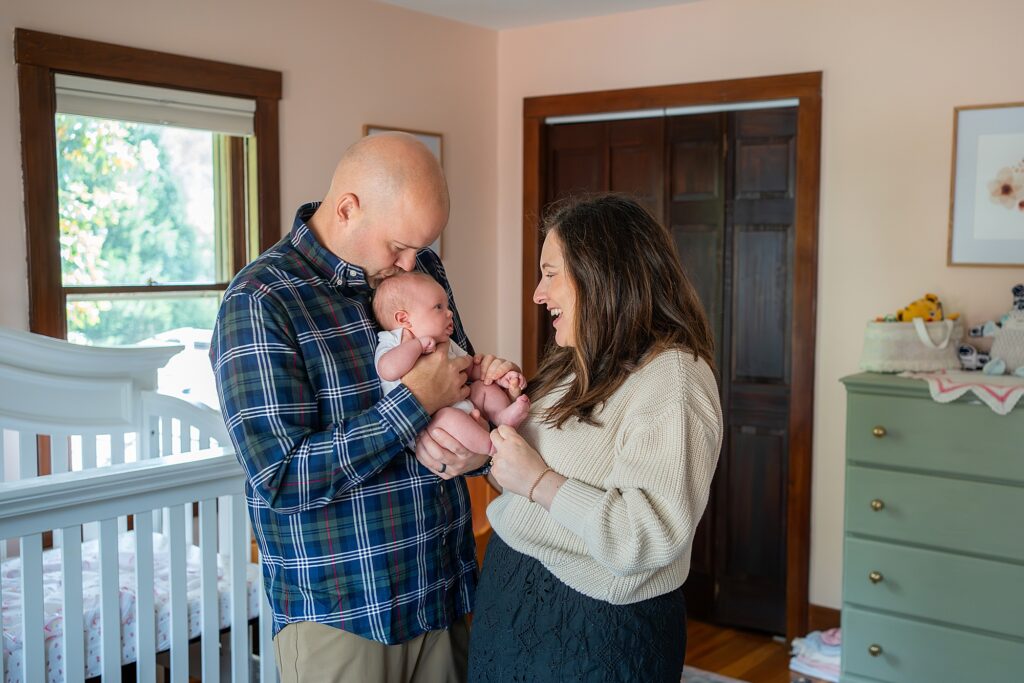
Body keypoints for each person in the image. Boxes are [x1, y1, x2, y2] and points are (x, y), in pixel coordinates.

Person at [210, 132, 518, 683]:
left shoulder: (418, 271)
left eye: (421, 248)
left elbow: (457, 380)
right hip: (344, 617)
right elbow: (281, 479)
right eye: (399, 246)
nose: (411, 262)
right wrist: (414, 404)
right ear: (348, 208)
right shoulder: (261, 302)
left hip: (442, 593)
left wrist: (480, 443)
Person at [467, 194, 724, 683]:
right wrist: (495, 416)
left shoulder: (673, 378)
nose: (538, 295)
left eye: (550, 273)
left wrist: (540, 481)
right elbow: (519, 486)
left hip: (596, 628)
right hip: (511, 597)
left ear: (602, 272)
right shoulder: (573, 362)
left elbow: (648, 537)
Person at [373, 271, 531, 455]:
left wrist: (497, 375)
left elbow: (468, 366)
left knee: (482, 388)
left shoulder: (445, 342)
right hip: (429, 427)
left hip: (463, 406)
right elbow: (387, 369)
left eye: (447, 306)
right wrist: (416, 346)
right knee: (447, 417)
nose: (450, 313)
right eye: (438, 307)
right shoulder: (392, 340)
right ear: (403, 319)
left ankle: (503, 416)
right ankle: (492, 447)